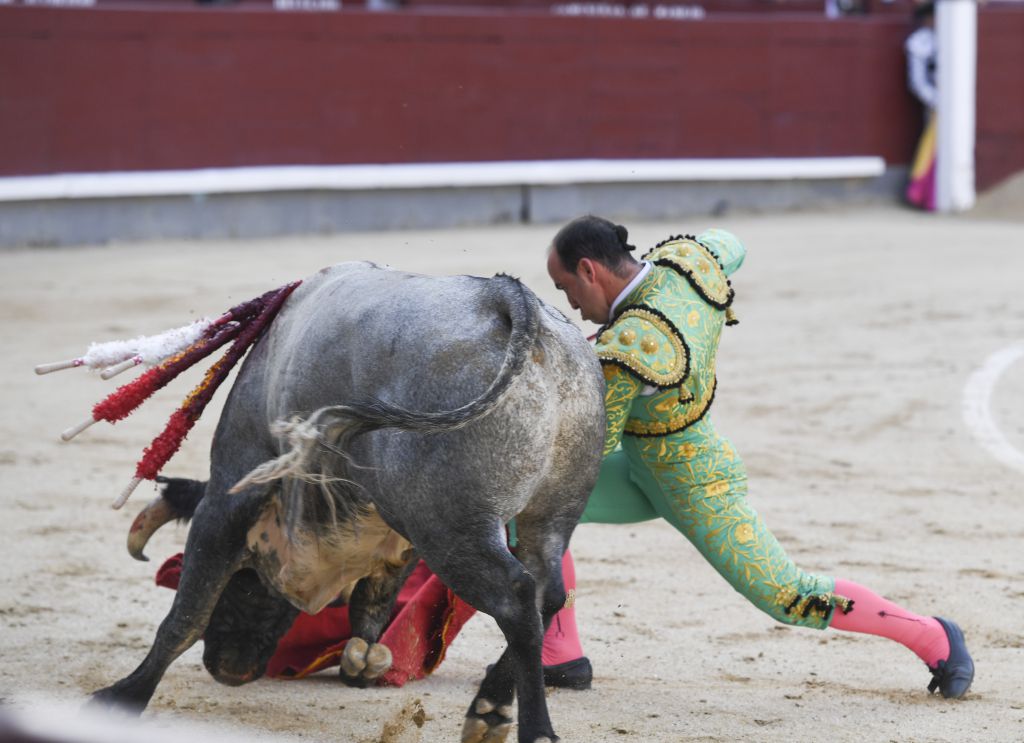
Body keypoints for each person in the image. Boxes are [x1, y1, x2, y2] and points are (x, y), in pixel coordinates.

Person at [539, 214, 974, 698]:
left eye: (566, 288)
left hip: (694, 484)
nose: (571, 305)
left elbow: (589, 449)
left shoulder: (628, 348)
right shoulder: (685, 263)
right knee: (528, 514)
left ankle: (932, 635)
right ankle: (559, 652)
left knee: (787, 595)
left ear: (589, 270)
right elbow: (730, 243)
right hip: (653, 465)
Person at [905, 1, 938, 210]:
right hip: (936, 104)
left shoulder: (953, 35)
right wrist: (939, 102)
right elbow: (918, 82)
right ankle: (924, 195)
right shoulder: (920, 41)